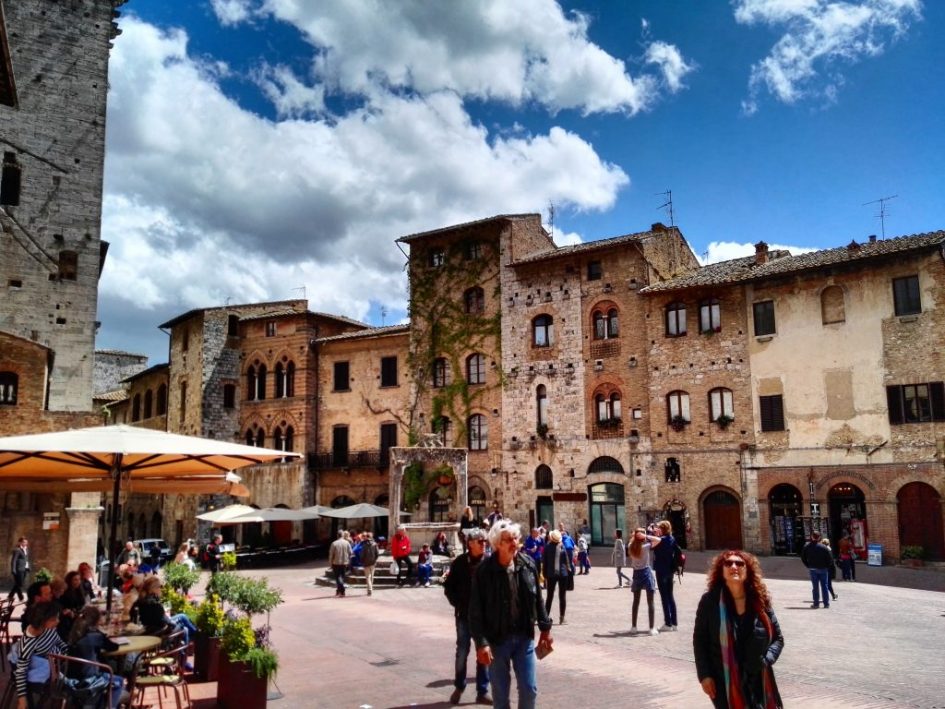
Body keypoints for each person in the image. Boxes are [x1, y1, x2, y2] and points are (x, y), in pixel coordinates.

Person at [469, 519, 553, 709]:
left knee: (529, 690)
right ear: (497, 544)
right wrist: (481, 643)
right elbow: (475, 611)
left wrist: (545, 628)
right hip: (497, 639)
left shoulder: (528, 564)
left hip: (524, 636)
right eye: (508, 540)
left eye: (515, 538)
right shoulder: (484, 572)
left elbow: (538, 598)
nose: (514, 543)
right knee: (500, 697)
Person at [693, 550, 784, 708]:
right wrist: (705, 675)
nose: (734, 566)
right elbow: (700, 641)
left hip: (759, 678)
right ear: (722, 571)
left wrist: (767, 660)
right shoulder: (710, 601)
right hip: (723, 679)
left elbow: (778, 639)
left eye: (740, 563)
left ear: (747, 570)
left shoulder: (759, 599)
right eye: (728, 563)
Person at [444, 527, 491, 706]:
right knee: (462, 652)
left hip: (484, 618)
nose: (484, 544)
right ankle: (459, 686)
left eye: (485, 541)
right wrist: (458, 603)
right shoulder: (459, 563)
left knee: (484, 652)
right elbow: (449, 587)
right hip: (463, 615)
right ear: (470, 544)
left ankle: (482, 691)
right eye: (481, 541)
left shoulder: (489, 563)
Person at [10, 601, 68, 709]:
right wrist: (22, 700)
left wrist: (67, 653)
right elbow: (21, 672)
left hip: (59, 661)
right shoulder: (27, 644)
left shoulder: (49, 629)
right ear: (42, 621)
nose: (58, 621)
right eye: (53, 619)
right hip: (49, 669)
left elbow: (60, 643)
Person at [67, 606, 127, 709]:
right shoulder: (95, 635)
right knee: (119, 681)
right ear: (97, 620)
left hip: (71, 678)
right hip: (90, 679)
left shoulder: (74, 631)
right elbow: (113, 647)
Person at [628, 527, 662, 635]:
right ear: (642, 537)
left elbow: (632, 542)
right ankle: (651, 628)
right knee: (650, 601)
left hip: (636, 573)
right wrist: (646, 536)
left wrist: (636, 536)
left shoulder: (630, 546)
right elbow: (658, 540)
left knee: (636, 602)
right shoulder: (646, 547)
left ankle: (634, 627)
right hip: (646, 572)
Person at [542, 530, 574, 625]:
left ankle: (545, 616)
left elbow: (545, 562)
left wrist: (544, 575)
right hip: (563, 573)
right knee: (562, 596)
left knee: (549, 596)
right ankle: (562, 618)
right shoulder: (562, 547)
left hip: (551, 574)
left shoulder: (547, 547)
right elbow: (566, 560)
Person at [652, 520, 679, 632]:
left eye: (658, 527)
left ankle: (667, 623)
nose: (656, 529)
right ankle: (674, 623)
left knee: (664, 597)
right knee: (670, 596)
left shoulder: (661, 540)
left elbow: (652, 544)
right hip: (670, 570)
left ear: (662, 528)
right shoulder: (671, 538)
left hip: (661, 570)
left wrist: (654, 534)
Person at [800, 531, 833, 609]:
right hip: (823, 569)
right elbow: (830, 559)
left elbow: (803, 557)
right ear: (819, 538)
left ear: (812, 537)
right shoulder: (824, 547)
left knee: (815, 587)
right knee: (824, 586)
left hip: (813, 569)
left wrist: (808, 565)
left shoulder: (807, 547)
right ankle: (826, 603)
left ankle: (816, 603)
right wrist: (826, 566)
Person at [329, 530, 353, 597]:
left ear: (337, 535)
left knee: (338, 577)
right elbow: (351, 552)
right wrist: (348, 559)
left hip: (336, 562)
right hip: (344, 562)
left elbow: (331, 555)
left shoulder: (334, 543)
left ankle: (341, 590)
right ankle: (340, 591)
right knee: (342, 576)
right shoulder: (347, 543)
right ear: (342, 535)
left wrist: (330, 563)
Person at [8, 537, 30, 601]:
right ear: (20, 542)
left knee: (18, 584)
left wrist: (28, 567)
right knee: (19, 584)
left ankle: (11, 595)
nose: (25, 543)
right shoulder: (17, 550)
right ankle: (20, 597)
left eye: (26, 542)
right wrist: (13, 569)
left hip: (24, 569)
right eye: (24, 542)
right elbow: (14, 560)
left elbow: (26, 560)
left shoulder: (26, 550)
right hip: (18, 569)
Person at [360, 532, 379, 596]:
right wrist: (375, 559)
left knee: (368, 577)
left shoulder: (364, 545)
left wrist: (362, 561)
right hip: (373, 562)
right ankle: (370, 588)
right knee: (371, 576)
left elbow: (362, 555)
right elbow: (377, 554)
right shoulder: (375, 544)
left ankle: (369, 589)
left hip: (366, 562)